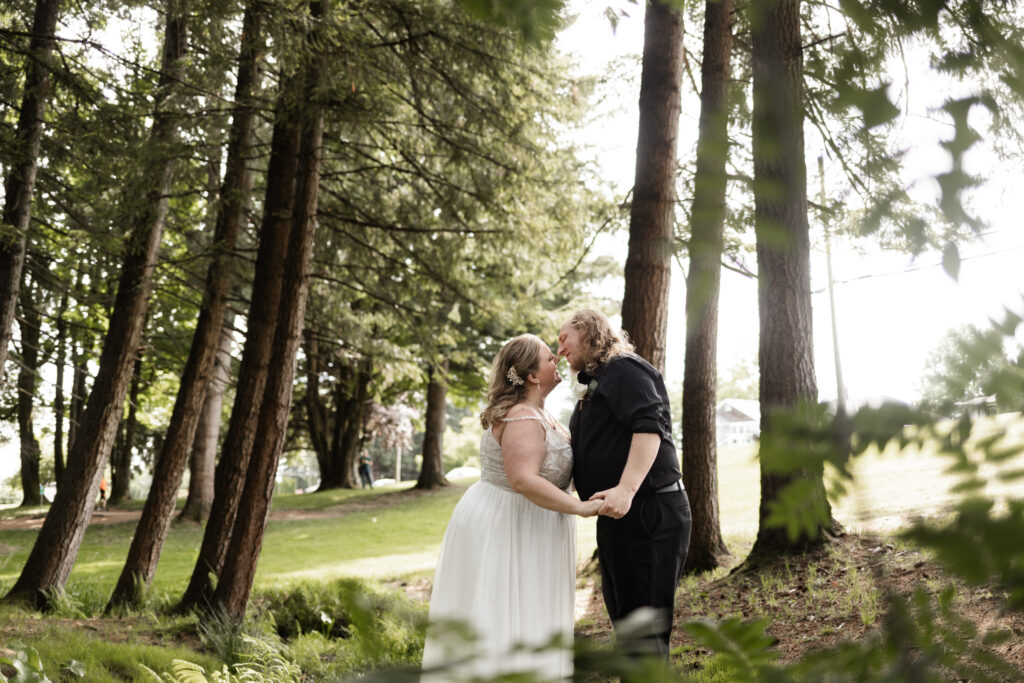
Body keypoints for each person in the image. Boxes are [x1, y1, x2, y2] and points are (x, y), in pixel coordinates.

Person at [422, 334, 601, 682]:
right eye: (549, 358)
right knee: (505, 612)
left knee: (528, 611)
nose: (558, 359)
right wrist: (580, 509)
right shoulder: (522, 417)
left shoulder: (540, 413)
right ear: (532, 375)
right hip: (509, 521)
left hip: (534, 520)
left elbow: (554, 469)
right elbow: (523, 480)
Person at [557, 310, 691, 660]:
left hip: (648, 513)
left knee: (643, 638)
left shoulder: (624, 368)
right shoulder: (598, 382)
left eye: (563, 338)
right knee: (628, 631)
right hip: (619, 519)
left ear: (588, 333)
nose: (559, 349)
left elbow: (649, 428)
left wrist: (626, 490)